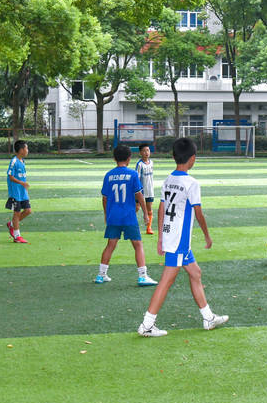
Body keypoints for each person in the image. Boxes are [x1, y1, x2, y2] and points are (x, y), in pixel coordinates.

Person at [137, 137, 228, 337]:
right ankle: (147, 324)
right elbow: (199, 213)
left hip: (172, 237)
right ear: (193, 158)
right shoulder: (191, 183)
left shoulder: (169, 179)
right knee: (166, 281)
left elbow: (161, 209)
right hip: (179, 240)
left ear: (173, 156)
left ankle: (208, 318)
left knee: (195, 273)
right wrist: (207, 235)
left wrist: (161, 237)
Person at [97, 144, 158, 286]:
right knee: (138, 245)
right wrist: (145, 213)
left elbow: (104, 198)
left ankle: (101, 274)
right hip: (129, 216)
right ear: (129, 158)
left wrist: (106, 214)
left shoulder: (109, 175)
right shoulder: (132, 174)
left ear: (114, 158)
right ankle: (142, 276)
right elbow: (139, 195)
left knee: (110, 245)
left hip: (114, 216)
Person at [6, 140, 32, 244]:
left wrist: (23, 185)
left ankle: (12, 224)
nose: (27, 150)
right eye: (26, 148)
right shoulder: (14, 161)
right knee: (16, 213)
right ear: (21, 150)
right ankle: (17, 236)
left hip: (22, 192)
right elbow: (10, 176)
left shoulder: (22, 161)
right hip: (15, 192)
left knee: (28, 211)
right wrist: (22, 183)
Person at [135, 142, 154, 234]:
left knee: (149, 209)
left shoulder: (151, 163)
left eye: (148, 150)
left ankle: (149, 228)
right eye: (144, 151)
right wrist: (138, 191)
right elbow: (137, 178)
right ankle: (130, 225)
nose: (146, 152)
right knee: (137, 208)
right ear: (140, 153)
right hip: (141, 191)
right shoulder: (139, 164)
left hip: (150, 190)